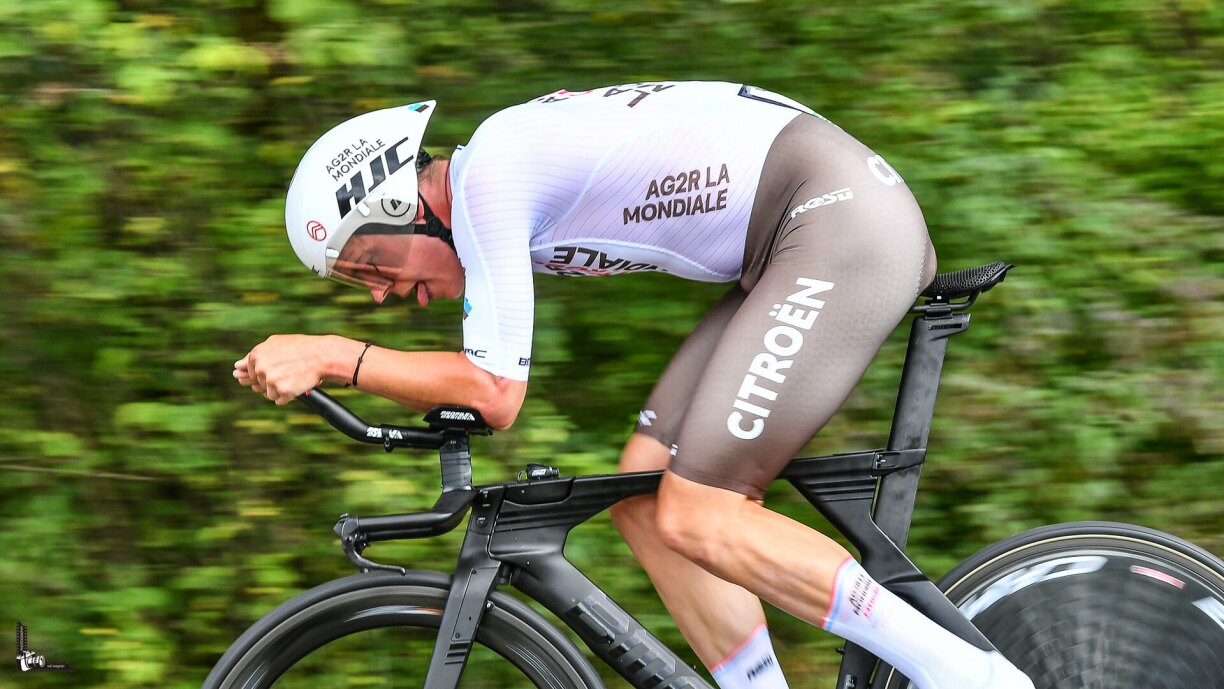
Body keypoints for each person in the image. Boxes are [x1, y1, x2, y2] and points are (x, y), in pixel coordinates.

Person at [234, 81, 1033, 689]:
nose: (378, 293)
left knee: (701, 508)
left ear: (405, 206)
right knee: (644, 492)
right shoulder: (496, 174)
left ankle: (974, 677)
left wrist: (336, 353)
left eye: (368, 265)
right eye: (357, 285)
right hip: (795, 236)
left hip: (836, 221)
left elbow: (494, 394)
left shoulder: (486, 183)